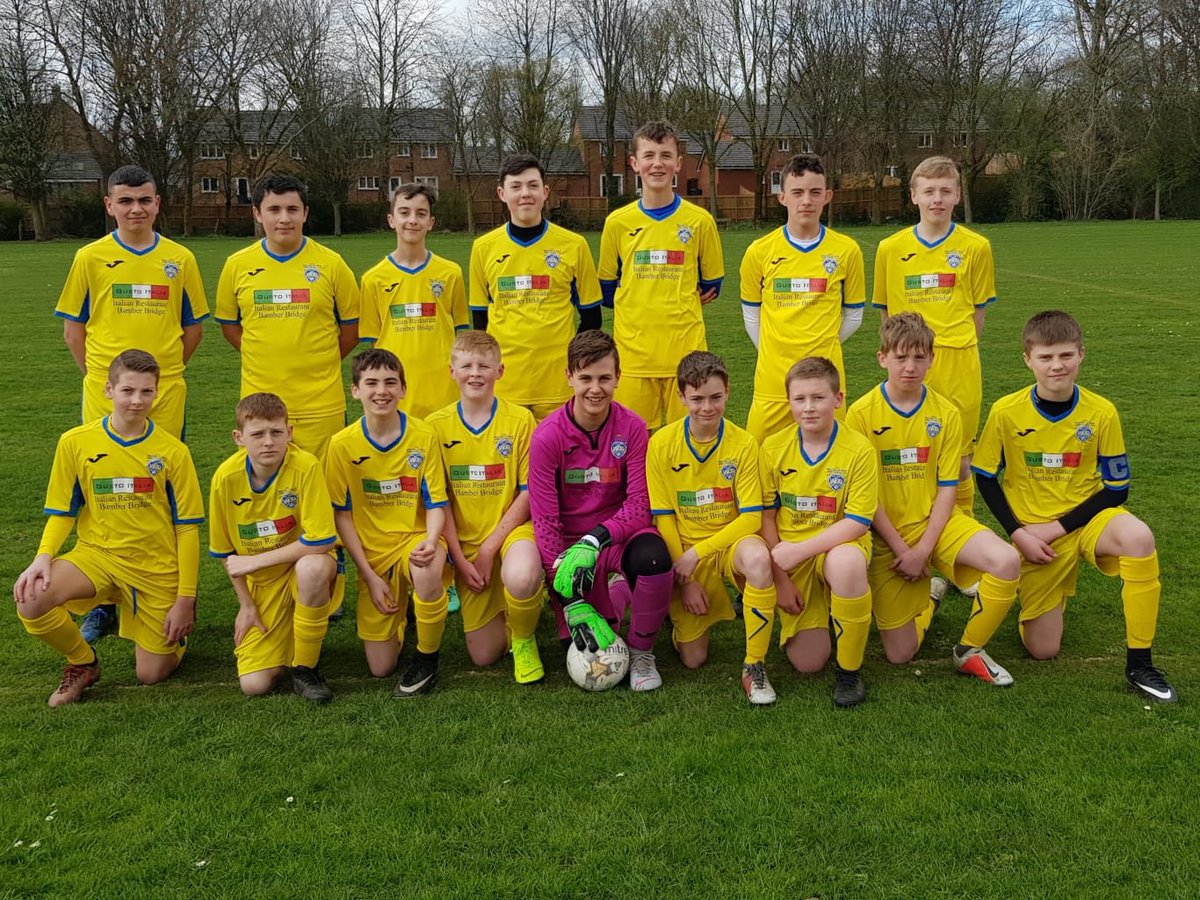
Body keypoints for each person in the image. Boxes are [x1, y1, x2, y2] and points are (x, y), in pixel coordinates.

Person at [973, 310, 1176, 703]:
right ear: (1027, 360)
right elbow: (985, 477)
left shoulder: (1101, 412)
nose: (1057, 365)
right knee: (1043, 650)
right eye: (1046, 357)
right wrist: (1018, 533)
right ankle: (1040, 593)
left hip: (1086, 522)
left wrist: (1058, 526)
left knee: (1138, 538)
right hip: (1035, 537)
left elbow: (1117, 489)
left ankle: (1140, 663)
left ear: (1081, 355)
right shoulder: (1005, 411)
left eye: (1065, 355)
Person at [56, 165, 209, 644]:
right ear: (109, 206)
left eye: (144, 200)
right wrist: (105, 383)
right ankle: (103, 601)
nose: (136, 209)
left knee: (161, 493)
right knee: (103, 491)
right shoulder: (90, 257)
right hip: (105, 398)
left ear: (158, 203)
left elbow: (193, 329)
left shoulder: (179, 258)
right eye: (125, 201)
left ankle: (173, 591)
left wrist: (153, 384)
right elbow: (73, 329)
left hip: (165, 397)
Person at [12, 350, 203, 706]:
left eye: (147, 392)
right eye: (128, 390)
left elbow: (187, 529)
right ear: (108, 390)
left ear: (157, 393)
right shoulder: (75, 443)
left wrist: (185, 600)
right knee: (31, 597)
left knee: (150, 675)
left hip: (155, 567)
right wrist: (43, 557)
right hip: (97, 556)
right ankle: (83, 662)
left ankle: (169, 632)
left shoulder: (173, 452)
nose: (137, 400)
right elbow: (63, 512)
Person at [845, 313, 1021, 684]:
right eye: (901, 357)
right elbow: (866, 497)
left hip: (938, 526)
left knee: (1005, 560)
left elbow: (948, 489)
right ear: (882, 358)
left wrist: (923, 550)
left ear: (931, 359)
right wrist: (901, 548)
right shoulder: (860, 414)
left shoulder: (946, 413)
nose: (910, 367)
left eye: (919, 358)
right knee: (900, 654)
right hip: (885, 536)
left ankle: (968, 650)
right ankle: (929, 600)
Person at [528, 330, 673, 690]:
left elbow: (640, 506)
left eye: (605, 378)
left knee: (654, 556)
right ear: (569, 377)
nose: (596, 388)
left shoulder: (634, 428)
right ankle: (612, 598)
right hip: (569, 549)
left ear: (618, 378)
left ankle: (641, 653)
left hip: (615, 537)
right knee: (586, 642)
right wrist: (567, 596)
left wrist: (596, 539)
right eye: (586, 378)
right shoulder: (547, 436)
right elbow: (545, 522)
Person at [648, 351, 777, 705]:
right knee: (694, 659)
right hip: (685, 545)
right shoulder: (660, 443)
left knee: (757, 558)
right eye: (697, 398)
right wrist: (686, 579)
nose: (707, 407)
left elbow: (751, 517)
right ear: (680, 397)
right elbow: (664, 517)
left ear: (728, 393)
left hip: (729, 542)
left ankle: (755, 665)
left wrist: (699, 554)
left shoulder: (744, 443)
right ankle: (676, 621)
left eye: (715, 397)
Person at [872, 155, 995, 522]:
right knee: (913, 456)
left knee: (959, 460)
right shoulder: (890, 249)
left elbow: (978, 313)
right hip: (909, 366)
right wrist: (905, 358)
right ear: (914, 196)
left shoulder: (976, 247)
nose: (936, 199)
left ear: (958, 195)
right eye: (929, 191)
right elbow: (887, 315)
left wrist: (953, 347)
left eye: (945, 191)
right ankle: (917, 537)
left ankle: (962, 553)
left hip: (958, 364)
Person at [325, 349, 451, 696]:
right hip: (373, 555)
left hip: (414, 539)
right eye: (371, 383)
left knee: (425, 570)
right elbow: (342, 515)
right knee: (380, 668)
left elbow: (437, 503)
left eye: (390, 382)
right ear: (355, 390)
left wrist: (431, 540)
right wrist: (368, 574)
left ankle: (427, 657)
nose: (381, 391)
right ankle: (404, 614)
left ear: (403, 389)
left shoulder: (423, 436)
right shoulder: (341, 445)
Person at [427, 332, 545, 683]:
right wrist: (461, 561)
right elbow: (438, 499)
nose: (475, 373)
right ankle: (512, 613)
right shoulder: (435, 426)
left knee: (522, 575)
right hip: (463, 542)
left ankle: (524, 639)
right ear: (452, 371)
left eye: (484, 365)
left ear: (500, 371)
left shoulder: (521, 420)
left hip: (511, 532)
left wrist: (491, 547)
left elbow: (528, 492)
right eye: (466, 365)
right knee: (483, 656)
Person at [215, 173, 360, 459]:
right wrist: (262, 355)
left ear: (305, 213)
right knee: (267, 492)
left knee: (324, 493)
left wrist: (319, 359)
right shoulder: (236, 265)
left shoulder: (332, 264)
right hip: (260, 404)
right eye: (274, 209)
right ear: (257, 213)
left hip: (320, 405)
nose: (284, 218)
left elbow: (352, 330)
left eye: (292, 209)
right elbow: (230, 326)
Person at [761, 357, 877, 708]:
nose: (809, 408)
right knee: (808, 663)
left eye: (818, 398)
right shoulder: (772, 448)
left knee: (845, 565)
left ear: (838, 399)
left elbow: (858, 521)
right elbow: (766, 517)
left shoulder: (859, 449)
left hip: (838, 544)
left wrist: (801, 550)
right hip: (790, 557)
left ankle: (849, 671)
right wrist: (781, 578)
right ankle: (831, 609)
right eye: (800, 399)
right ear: (789, 401)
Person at [209, 392, 339, 703]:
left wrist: (255, 561)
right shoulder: (225, 479)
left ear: (289, 433)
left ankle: (305, 668)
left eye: (276, 432)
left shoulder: (306, 467)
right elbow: (227, 553)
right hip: (263, 586)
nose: (268, 441)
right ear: (239, 438)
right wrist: (246, 605)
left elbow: (321, 540)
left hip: (300, 571)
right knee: (254, 686)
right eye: (257, 434)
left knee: (314, 566)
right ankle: (292, 640)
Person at [598, 120, 724, 430]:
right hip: (633, 356)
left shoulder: (699, 221)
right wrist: (639, 303)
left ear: (678, 164)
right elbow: (606, 289)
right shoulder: (617, 223)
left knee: (689, 438)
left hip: (686, 352)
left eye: (666, 155)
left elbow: (712, 285)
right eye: (649, 155)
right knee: (632, 442)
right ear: (634, 163)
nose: (657, 163)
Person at [740, 153, 865, 443]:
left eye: (814, 192)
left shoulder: (847, 251)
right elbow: (751, 316)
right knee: (758, 464)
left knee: (827, 462)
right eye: (797, 192)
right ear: (782, 197)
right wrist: (775, 349)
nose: (806, 200)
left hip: (826, 379)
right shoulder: (758, 252)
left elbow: (854, 316)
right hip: (773, 381)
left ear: (827, 196)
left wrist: (822, 346)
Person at [468, 154, 603, 421]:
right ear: (501, 193)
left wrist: (572, 366)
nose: (525, 194)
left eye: (532, 186)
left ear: (545, 192)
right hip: (506, 384)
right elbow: (479, 323)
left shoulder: (574, 245)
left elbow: (591, 318)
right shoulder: (483, 248)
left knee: (559, 461)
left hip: (557, 384)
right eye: (516, 187)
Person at [359, 182, 468, 420]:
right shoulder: (373, 279)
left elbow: (461, 335)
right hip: (395, 393)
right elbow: (373, 345)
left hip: (444, 392)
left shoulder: (451, 273)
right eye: (404, 212)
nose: (412, 220)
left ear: (431, 222)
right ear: (391, 219)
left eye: (421, 214)